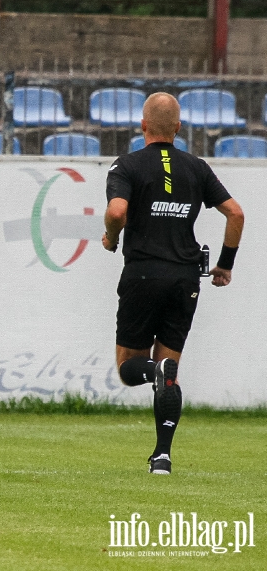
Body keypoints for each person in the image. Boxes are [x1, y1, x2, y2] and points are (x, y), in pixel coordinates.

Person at [102, 92, 244, 475]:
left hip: (144, 274)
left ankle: (155, 372)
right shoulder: (196, 167)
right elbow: (235, 213)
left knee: (131, 367)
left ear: (142, 125)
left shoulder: (127, 165)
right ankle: (162, 456)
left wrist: (112, 237)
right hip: (185, 278)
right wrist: (224, 265)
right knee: (171, 368)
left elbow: (117, 211)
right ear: (178, 128)